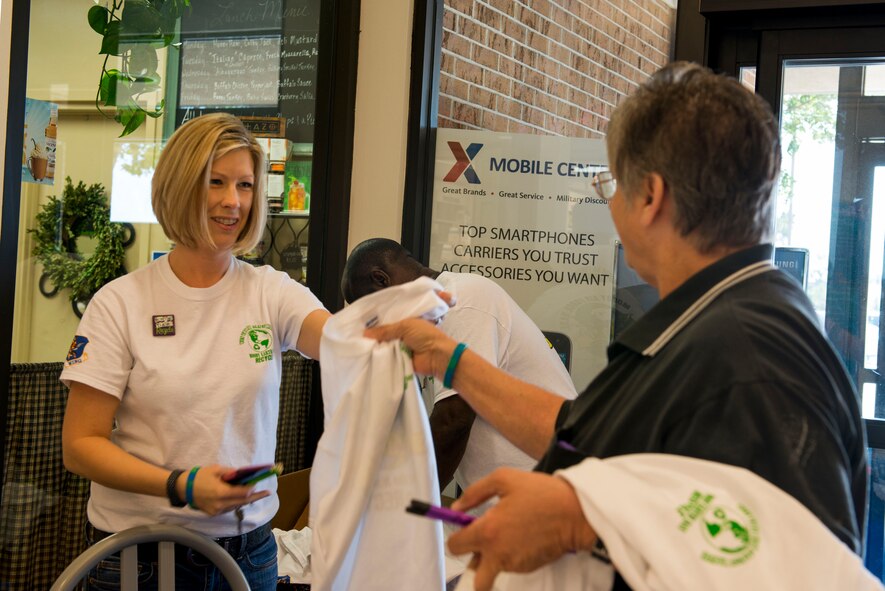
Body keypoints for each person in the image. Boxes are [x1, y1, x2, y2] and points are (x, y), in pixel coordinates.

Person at [366, 62, 866, 590]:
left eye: (611, 185)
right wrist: (454, 362)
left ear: (649, 197)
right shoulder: (709, 321)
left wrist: (580, 521)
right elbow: (587, 433)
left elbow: (795, 566)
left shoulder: (752, 359)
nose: (611, 207)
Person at [61, 112, 330, 590]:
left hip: (251, 551)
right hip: (142, 555)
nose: (233, 202)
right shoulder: (120, 304)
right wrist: (179, 486)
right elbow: (81, 446)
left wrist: (394, 333)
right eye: (216, 182)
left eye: (245, 185)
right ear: (181, 186)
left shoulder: (270, 292)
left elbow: (337, 341)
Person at [341, 238, 578, 491]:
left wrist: (408, 505)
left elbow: (453, 420)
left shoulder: (460, 301)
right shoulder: (430, 321)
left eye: (370, 314)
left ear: (381, 280)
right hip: (513, 501)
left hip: (549, 494)